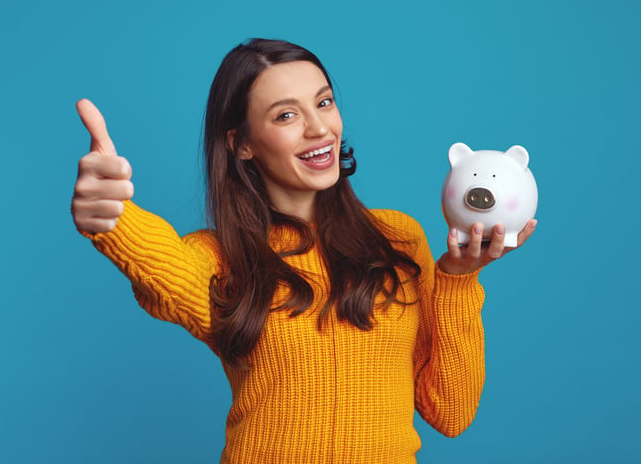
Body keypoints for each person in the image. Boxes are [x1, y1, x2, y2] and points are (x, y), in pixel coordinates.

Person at [71, 38, 536, 463]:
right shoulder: (221, 259)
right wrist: (112, 216)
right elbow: (165, 262)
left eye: (324, 102)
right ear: (242, 144)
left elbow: (449, 412)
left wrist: (459, 277)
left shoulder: (398, 240)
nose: (319, 128)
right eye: (286, 115)